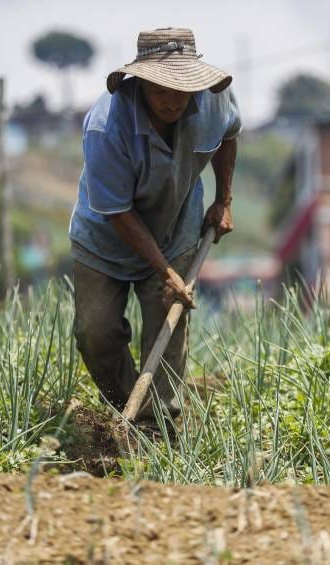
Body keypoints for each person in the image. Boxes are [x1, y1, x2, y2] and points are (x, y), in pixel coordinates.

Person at [68, 27, 240, 420]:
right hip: (105, 240)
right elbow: (118, 212)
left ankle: (157, 427)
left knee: (168, 322)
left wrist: (223, 199)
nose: (173, 102)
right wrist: (164, 271)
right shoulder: (106, 127)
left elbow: (229, 135)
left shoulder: (213, 102)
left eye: (182, 90)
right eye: (162, 90)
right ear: (141, 82)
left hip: (175, 228)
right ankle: (127, 411)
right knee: (96, 334)